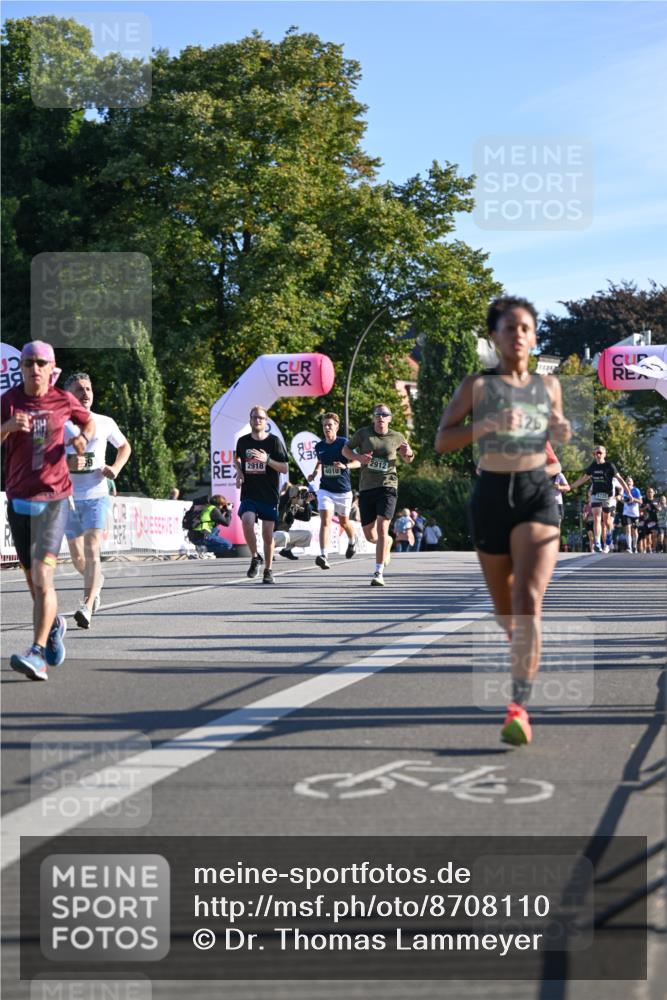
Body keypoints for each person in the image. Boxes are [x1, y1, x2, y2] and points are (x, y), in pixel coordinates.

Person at [434, 295, 571, 746]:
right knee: (506, 612)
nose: (518, 335)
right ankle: (517, 646)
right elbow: (442, 441)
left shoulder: (549, 385)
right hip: (490, 497)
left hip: (535, 495)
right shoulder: (476, 386)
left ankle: (519, 707)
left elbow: (557, 427)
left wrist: (562, 429)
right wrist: (486, 426)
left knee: (528, 599)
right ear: (494, 336)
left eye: (526, 328)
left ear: (534, 337)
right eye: (509, 328)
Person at [1, 342, 94, 680]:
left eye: (41, 363)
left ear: (51, 367)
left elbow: (88, 424)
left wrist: (82, 439)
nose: (34, 368)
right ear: (22, 367)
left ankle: (37, 653)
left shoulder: (61, 399)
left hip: (53, 501)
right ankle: (53, 625)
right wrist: (7, 428)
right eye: (28, 363)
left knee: (42, 578)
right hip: (18, 500)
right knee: (32, 583)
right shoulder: (8, 401)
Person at [63, 372, 132, 628]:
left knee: (92, 549)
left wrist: (116, 467)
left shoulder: (104, 422)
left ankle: (87, 606)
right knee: (77, 559)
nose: (86, 394)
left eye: (89, 389)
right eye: (79, 389)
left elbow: (125, 447)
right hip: (67, 497)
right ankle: (97, 582)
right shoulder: (60, 423)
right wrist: (66, 462)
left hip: (96, 494)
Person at [342, 404, 414, 587]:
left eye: (385, 414)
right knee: (370, 535)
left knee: (382, 527)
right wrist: (358, 458)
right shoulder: (363, 434)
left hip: (388, 486)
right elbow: (345, 450)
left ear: (390, 418)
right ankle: (388, 541)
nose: (381, 417)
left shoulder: (397, 437)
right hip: (367, 488)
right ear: (373, 418)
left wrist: (408, 454)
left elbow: (408, 457)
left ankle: (378, 572)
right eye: (378, 414)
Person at [234, 405, 289, 584]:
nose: (257, 420)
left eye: (260, 418)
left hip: (269, 495)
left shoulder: (274, 442)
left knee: (267, 535)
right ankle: (255, 556)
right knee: (247, 520)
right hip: (250, 493)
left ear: (265, 422)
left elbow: (284, 467)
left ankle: (268, 570)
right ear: (250, 420)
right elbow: (237, 458)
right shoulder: (243, 441)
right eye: (254, 417)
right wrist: (240, 471)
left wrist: (267, 460)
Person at [308, 412, 359, 569]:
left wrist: (345, 466)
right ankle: (323, 555)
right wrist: (315, 472)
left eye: (330, 425)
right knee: (326, 521)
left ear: (337, 426)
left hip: (343, 491)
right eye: (324, 425)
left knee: (344, 522)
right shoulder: (320, 446)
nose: (327, 428)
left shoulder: (344, 443)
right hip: (326, 490)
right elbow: (320, 461)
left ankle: (352, 540)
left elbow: (358, 462)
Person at [569, 447, 633, 554]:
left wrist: (629, 493)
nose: (597, 455)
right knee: (596, 518)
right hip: (596, 495)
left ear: (604, 454)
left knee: (607, 521)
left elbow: (620, 480)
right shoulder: (593, 466)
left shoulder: (609, 466)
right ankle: (598, 543)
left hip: (607, 496)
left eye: (599, 453)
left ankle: (609, 534)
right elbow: (584, 478)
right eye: (595, 453)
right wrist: (571, 486)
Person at [274, 483, 315, 559]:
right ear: (293, 495)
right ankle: (269, 550)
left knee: (307, 535)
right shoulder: (282, 501)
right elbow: (286, 497)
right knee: (284, 535)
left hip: (283, 532)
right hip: (272, 534)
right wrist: (295, 490)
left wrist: (307, 503)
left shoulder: (294, 507)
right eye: (300, 495)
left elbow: (306, 518)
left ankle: (286, 550)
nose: (301, 497)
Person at [621, 476, 642, 554]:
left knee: (635, 530)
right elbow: (621, 500)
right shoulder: (623, 490)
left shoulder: (636, 490)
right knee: (628, 529)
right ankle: (629, 547)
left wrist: (633, 499)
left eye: (630, 481)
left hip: (635, 514)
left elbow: (641, 501)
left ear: (632, 483)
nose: (628, 482)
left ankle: (634, 546)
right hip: (626, 513)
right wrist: (623, 500)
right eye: (627, 481)